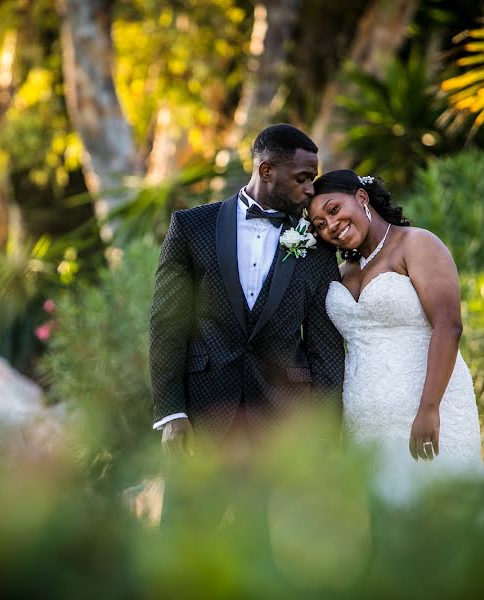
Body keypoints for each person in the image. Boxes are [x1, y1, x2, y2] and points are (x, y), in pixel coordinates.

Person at [149, 124, 345, 528]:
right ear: (267, 170)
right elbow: (168, 325)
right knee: (182, 546)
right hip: (202, 419)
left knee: (270, 555)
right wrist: (172, 413)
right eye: (303, 178)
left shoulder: (316, 245)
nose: (311, 190)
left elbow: (325, 349)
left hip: (281, 427)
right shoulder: (191, 228)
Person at [306, 169, 484, 502]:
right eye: (319, 225)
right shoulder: (344, 272)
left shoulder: (416, 244)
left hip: (427, 409)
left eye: (333, 210)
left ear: (361, 198)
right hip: (363, 421)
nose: (330, 226)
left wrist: (429, 409)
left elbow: (448, 326)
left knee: (445, 511)